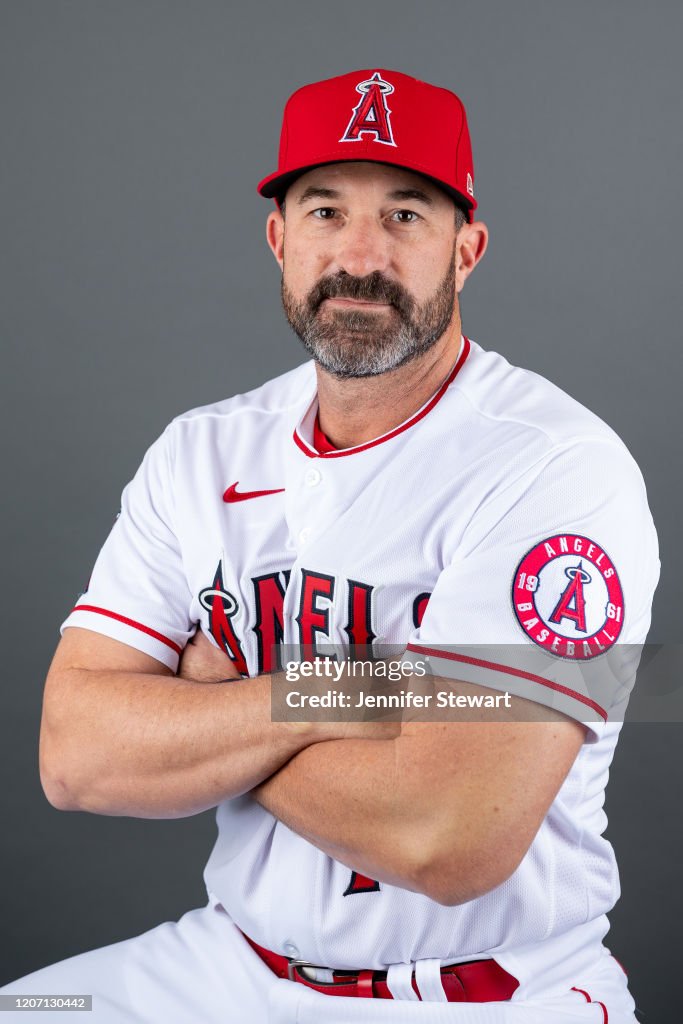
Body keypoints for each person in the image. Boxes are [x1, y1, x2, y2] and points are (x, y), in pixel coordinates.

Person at [2, 68, 659, 1022]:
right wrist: (351, 691)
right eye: (322, 211)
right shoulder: (201, 451)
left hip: (483, 993)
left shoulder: (555, 467)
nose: (359, 255)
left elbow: (448, 835)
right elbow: (76, 756)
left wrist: (210, 705)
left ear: (465, 251)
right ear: (279, 240)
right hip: (228, 964)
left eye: (403, 216)